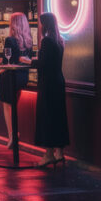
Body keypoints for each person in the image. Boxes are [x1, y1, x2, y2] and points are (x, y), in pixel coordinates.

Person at [22, 12, 68, 167]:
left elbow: (43, 64)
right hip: (59, 81)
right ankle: (60, 153)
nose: (39, 26)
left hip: (48, 84)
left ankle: (48, 154)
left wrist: (29, 62)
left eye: (40, 23)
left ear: (44, 25)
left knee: (47, 117)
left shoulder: (47, 41)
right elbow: (52, 62)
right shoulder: (60, 41)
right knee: (59, 118)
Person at [0, 12, 33, 148]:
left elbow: (9, 61)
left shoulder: (10, 40)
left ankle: (12, 135)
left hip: (12, 76)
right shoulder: (29, 40)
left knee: (7, 105)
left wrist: (0, 65)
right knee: (3, 79)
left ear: (13, 24)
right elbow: (24, 60)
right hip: (23, 77)